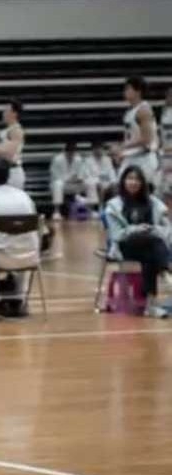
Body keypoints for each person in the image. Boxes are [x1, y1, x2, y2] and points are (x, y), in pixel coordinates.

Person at [103, 165, 172, 318]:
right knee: (151, 244)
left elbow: (167, 230)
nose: (133, 182)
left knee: (150, 253)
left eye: (137, 179)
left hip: (150, 247)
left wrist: (152, 229)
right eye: (130, 178)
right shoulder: (114, 206)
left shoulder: (154, 203)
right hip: (125, 247)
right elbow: (117, 235)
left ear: (143, 183)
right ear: (123, 181)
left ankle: (151, 306)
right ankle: (167, 274)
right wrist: (136, 229)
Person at [114, 76, 157, 186]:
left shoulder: (143, 110)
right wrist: (123, 152)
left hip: (143, 159)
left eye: (128, 89)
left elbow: (147, 138)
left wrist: (123, 146)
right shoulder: (130, 111)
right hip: (132, 157)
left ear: (138, 91)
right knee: (120, 188)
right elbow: (131, 137)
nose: (125, 92)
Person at [50, 141, 99, 219]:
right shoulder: (57, 159)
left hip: (76, 184)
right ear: (65, 151)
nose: (71, 154)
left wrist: (79, 178)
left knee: (91, 182)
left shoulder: (78, 159)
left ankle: (93, 210)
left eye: (73, 151)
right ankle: (57, 211)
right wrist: (69, 179)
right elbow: (55, 176)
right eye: (69, 151)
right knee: (57, 184)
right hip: (63, 185)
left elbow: (82, 174)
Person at [0, 100, 25, 190]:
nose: (3, 114)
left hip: (13, 171)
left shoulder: (16, 131)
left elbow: (10, 153)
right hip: (4, 170)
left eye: (6, 111)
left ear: (14, 114)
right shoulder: (6, 131)